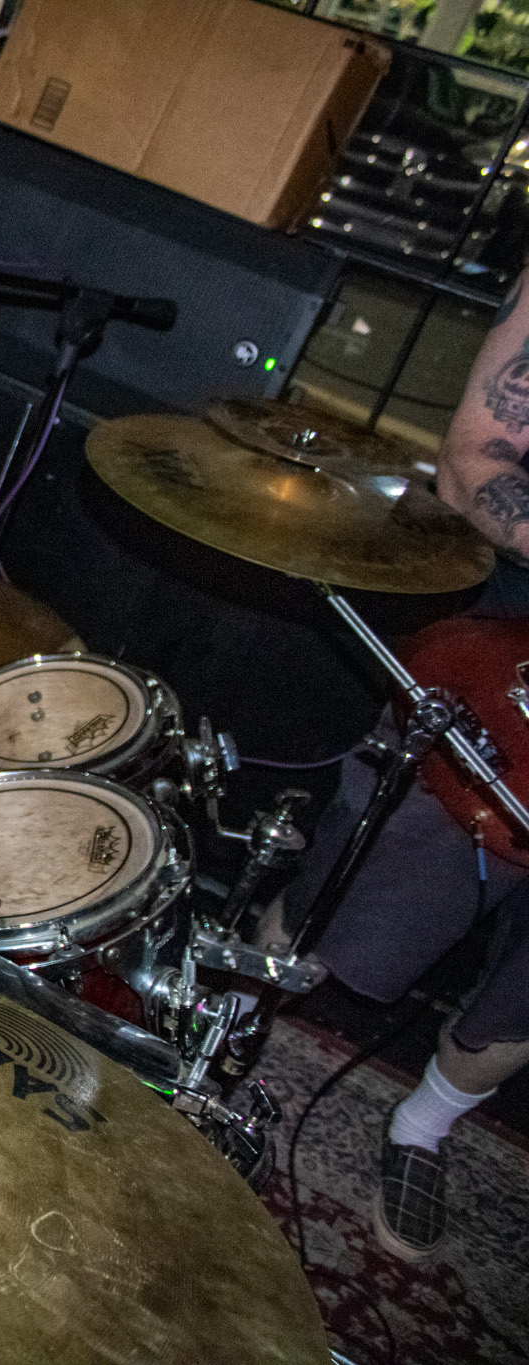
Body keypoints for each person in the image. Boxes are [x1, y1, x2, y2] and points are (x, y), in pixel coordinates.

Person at [263, 277, 529, 1262]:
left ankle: (423, 1125)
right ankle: (227, 1021)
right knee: (343, 898)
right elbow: (472, 464)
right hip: (501, 670)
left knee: (522, 1000)